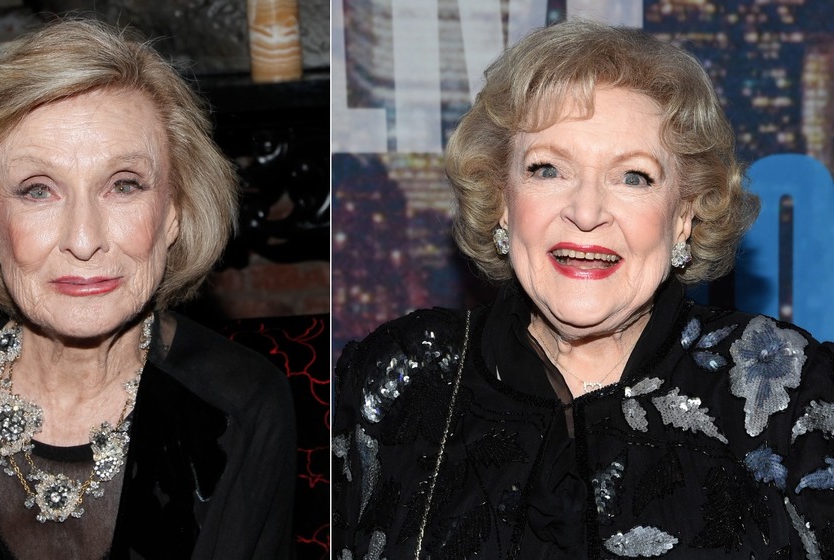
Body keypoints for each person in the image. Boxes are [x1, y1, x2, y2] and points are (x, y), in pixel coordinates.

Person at [332, 18, 834, 559]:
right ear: (502, 199)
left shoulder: (791, 387)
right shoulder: (398, 378)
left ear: (684, 216)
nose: (587, 213)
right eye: (548, 169)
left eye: (633, 176)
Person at [0, 18, 295, 559]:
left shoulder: (243, 408)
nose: (84, 240)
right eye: (38, 191)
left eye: (123, 185)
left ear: (173, 214)